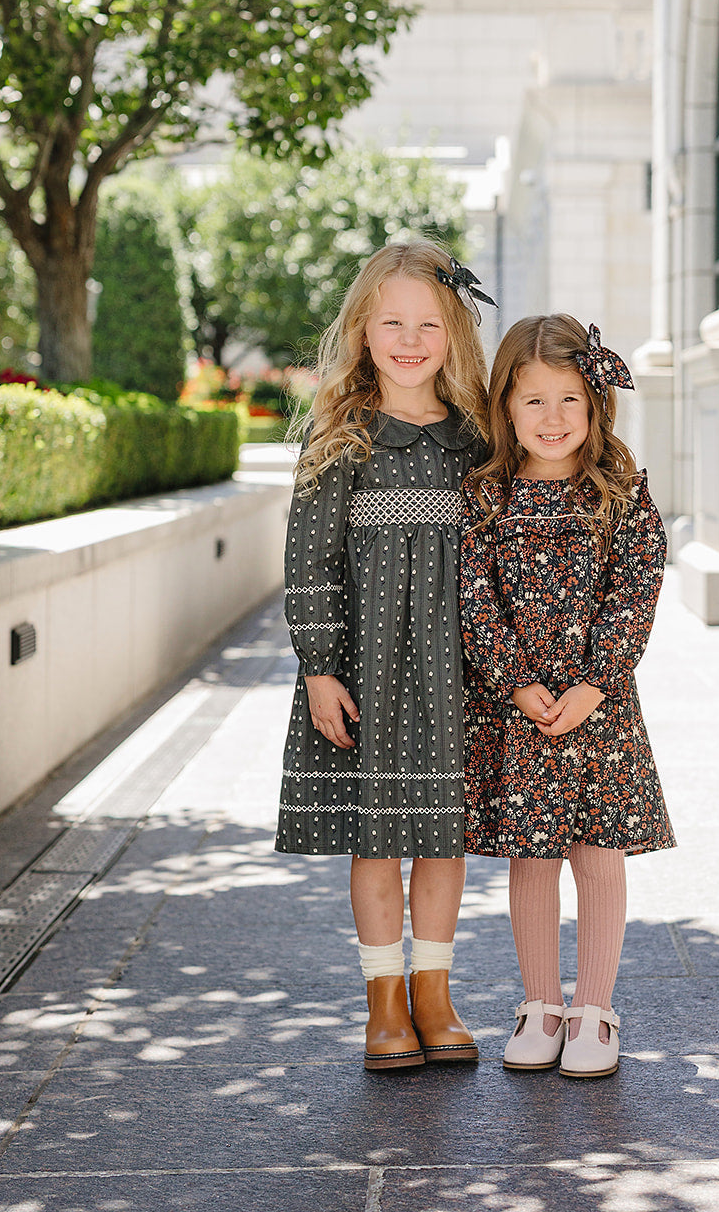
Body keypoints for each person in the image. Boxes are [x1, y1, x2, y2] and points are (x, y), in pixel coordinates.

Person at [275, 240, 494, 1072]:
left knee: (442, 839)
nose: (409, 340)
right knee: (376, 843)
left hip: (453, 672)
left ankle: (434, 994)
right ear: (362, 331)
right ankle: (384, 1005)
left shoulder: (477, 439)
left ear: (455, 332)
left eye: (428, 324)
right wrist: (318, 667)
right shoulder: (341, 436)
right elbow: (309, 560)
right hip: (365, 670)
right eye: (391, 323)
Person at [460, 314, 675, 1079]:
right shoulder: (486, 496)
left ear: (595, 405)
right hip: (519, 707)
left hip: (598, 705)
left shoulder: (619, 492)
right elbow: (473, 598)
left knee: (597, 850)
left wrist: (593, 683)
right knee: (532, 854)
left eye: (569, 400)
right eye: (534, 401)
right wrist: (516, 682)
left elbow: (635, 590)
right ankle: (541, 1005)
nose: (552, 418)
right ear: (506, 409)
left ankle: (593, 1009)